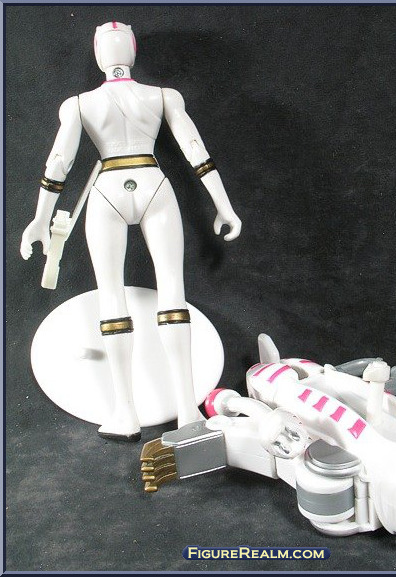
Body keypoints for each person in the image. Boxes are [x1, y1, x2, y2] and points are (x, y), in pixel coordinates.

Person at [20, 21, 242, 441]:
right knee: (172, 291)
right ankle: (187, 410)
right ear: (134, 52)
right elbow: (196, 152)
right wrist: (223, 205)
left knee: (111, 295)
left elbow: (58, 164)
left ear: (98, 55)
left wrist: (40, 218)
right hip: (153, 182)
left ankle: (126, 414)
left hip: (108, 188)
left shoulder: (79, 105)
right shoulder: (163, 97)